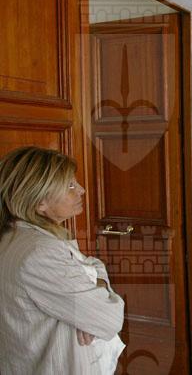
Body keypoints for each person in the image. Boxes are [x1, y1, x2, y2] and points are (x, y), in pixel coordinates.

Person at [0, 146, 125, 374]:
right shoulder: (40, 252)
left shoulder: (22, 235)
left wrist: (93, 294)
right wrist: (93, 308)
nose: (82, 190)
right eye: (70, 186)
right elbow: (109, 318)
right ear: (39, 202)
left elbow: (92, 265)